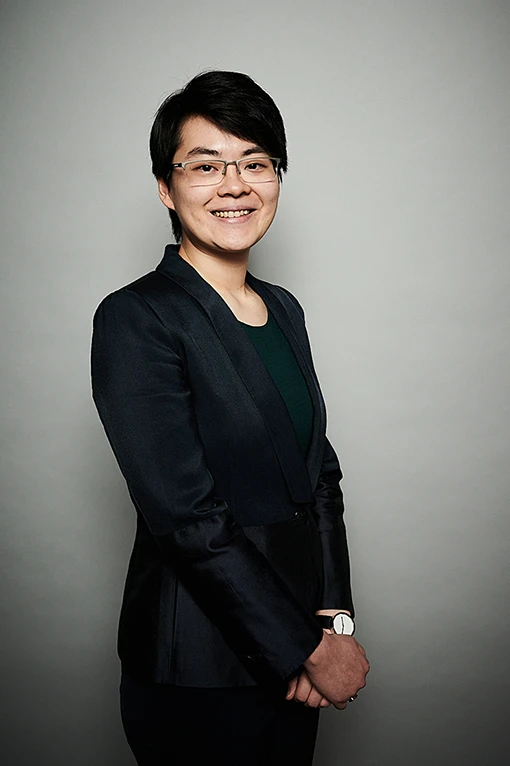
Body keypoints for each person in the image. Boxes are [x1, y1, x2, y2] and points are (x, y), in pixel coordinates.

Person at [91, 70, 369, 766]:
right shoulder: (137, 318)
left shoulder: (284, 308)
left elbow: (321, 480)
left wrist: (332, 624)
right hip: (199, 670)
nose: (235, 184)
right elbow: (187, 518)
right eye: (206, 165)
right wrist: (305, 648)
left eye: (255, 163)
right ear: (166, 186)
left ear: (277, 175)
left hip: (298, 663)